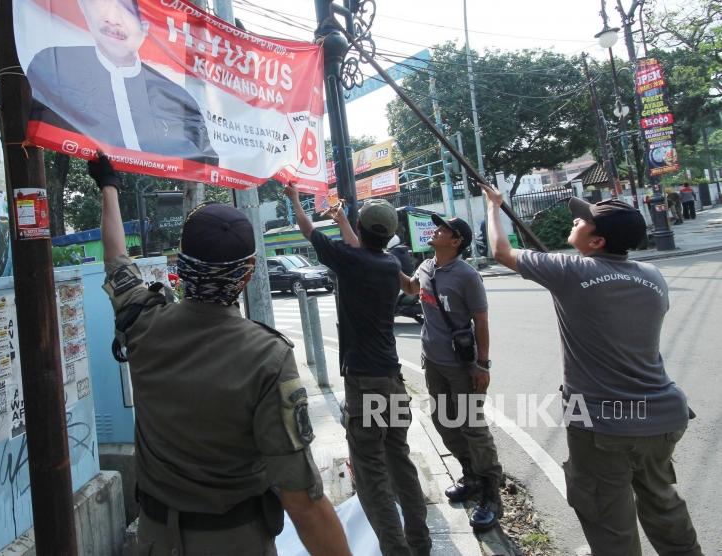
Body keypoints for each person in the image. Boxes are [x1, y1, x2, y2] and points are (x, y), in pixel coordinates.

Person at [91, 154, 349, 555]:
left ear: (182, 265)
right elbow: (302, 500)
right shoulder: (268, 356)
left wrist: (108, 184)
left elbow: (116, 261)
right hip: (235, 543)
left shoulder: (142, 322)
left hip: (154, 539)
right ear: (246, 275)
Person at [480, 181, 703, 556]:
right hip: (664, 416)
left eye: (583, 220)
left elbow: (500, 250)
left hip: (604, 423)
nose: (576, 221)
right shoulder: (653, 276)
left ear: (597, 241)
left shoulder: (570, 272)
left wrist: (494, 205)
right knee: (664, 506)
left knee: (608, 522)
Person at [284, 184, 432, 556]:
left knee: (370, 473)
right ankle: (420, 542)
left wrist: (293, 199)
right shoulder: (389, 264)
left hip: (364, 384)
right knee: (399, 458)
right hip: (392, 379)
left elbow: (307, 229)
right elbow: (359, 246)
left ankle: (395, 549)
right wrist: (343, 220)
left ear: (362, 230)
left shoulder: (354, 262)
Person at [398, 215, 502, 531]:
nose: (436, 230)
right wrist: (390, 267)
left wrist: (482, 365)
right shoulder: (427, 266)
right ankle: (470, 476)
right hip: (434, 362)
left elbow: (481, 322)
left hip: (462, 365)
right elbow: (412, 289)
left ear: (455, 241)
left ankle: (491, 494)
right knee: (444, 422)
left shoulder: (467, 276)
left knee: (472, 426)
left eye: (442, 229)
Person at [26, 0, 218, 164]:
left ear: (145, 27)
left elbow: (205, 162)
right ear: (84, 11)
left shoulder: (177, 98)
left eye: (126, 10)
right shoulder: (54, 66)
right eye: (101, 4)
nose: (113, 19)